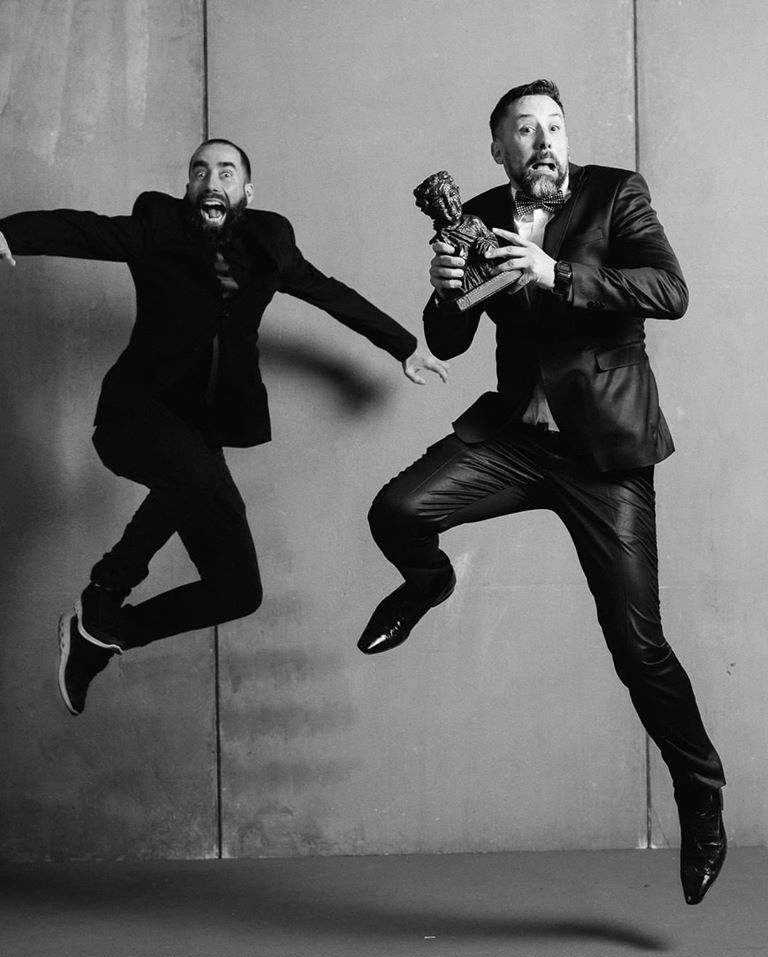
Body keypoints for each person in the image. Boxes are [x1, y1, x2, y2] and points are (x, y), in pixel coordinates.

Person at [357, 80, 726, 905]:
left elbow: (669, 291)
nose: (543, 140)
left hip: (604, 456)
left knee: (637, 648)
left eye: (553, 125)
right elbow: (450, 334)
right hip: (518, 440)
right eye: (524, 130)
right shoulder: (476, 213)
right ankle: (428, 584)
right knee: (397, 511)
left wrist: (556, 272)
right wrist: (444, 288)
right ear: (499, 150)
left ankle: (701, 795)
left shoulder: (615, 194)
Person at [0, 138, 447, 718]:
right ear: (188, 187)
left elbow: (328, 292)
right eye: (200, 172)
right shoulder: (158, 227)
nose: (213, 181)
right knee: (189, 473)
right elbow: (84, 230)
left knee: (237, 590)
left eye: (227, 173)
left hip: (198, 437)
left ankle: (102, 639)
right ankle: (103, 595)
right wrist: (9, 232)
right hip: (133, 416)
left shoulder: (270, 244)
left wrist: (403, 346)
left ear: (246, 192)